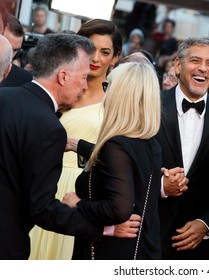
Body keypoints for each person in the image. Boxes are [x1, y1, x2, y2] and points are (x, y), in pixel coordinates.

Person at [0, 33, 116, 260]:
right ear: (63, 76)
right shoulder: (50, 128)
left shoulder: (3, 96)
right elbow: (42, 209)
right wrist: (103, 229)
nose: (85, 86)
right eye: (83, 77)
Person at [29, 18, 123, 260]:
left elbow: (118, 157)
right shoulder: (52, 87)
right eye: (91, 49)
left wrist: (77, 146)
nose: (96, 58)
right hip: (38, 183)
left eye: (105, 52)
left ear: (114, 58)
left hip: (78, 193)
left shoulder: (114, 104)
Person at [62, 62, 162, 260]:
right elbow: (119, 166)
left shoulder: (117, 145)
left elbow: (119, 209)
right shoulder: (149, 143)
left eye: (107, 86)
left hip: (110, 252)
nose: (104, 93)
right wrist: (76, 144)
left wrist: (78, 204)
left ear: (120, 95)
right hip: (142, 248)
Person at [157, 36, 209, 260]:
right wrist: (160, 185)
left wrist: (207, 223)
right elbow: (130, 162)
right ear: (177, 65)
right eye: (195, 60)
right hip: (149, 229)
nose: (203, 69)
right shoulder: (151, 104)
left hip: (199, 245)